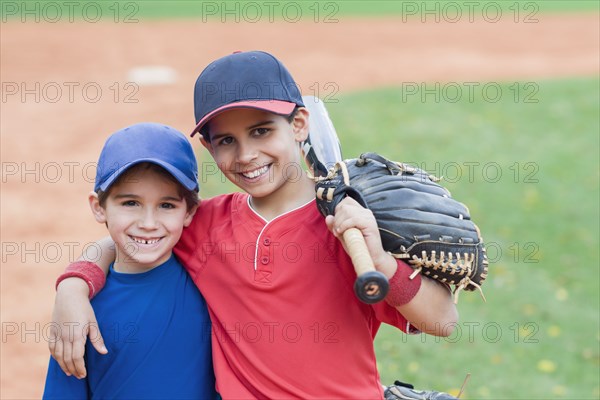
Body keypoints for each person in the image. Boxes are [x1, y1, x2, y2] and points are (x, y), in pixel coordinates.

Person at [49, 51, 458, 399]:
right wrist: (73, 284)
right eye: (226, 140)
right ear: (208, 147)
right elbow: (131, 238)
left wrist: (381, 259)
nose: (246, 154)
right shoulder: (204, 224)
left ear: (299, 125)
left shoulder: (348, 228)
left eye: (262, 131)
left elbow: (442, 321)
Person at [43, 123, 217, 399]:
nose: (148, 223)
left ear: (189, 211)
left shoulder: (210, 283)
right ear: (99, 207)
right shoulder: (80, 312)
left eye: (167, 205)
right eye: (130, 203)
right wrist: (72, 286)